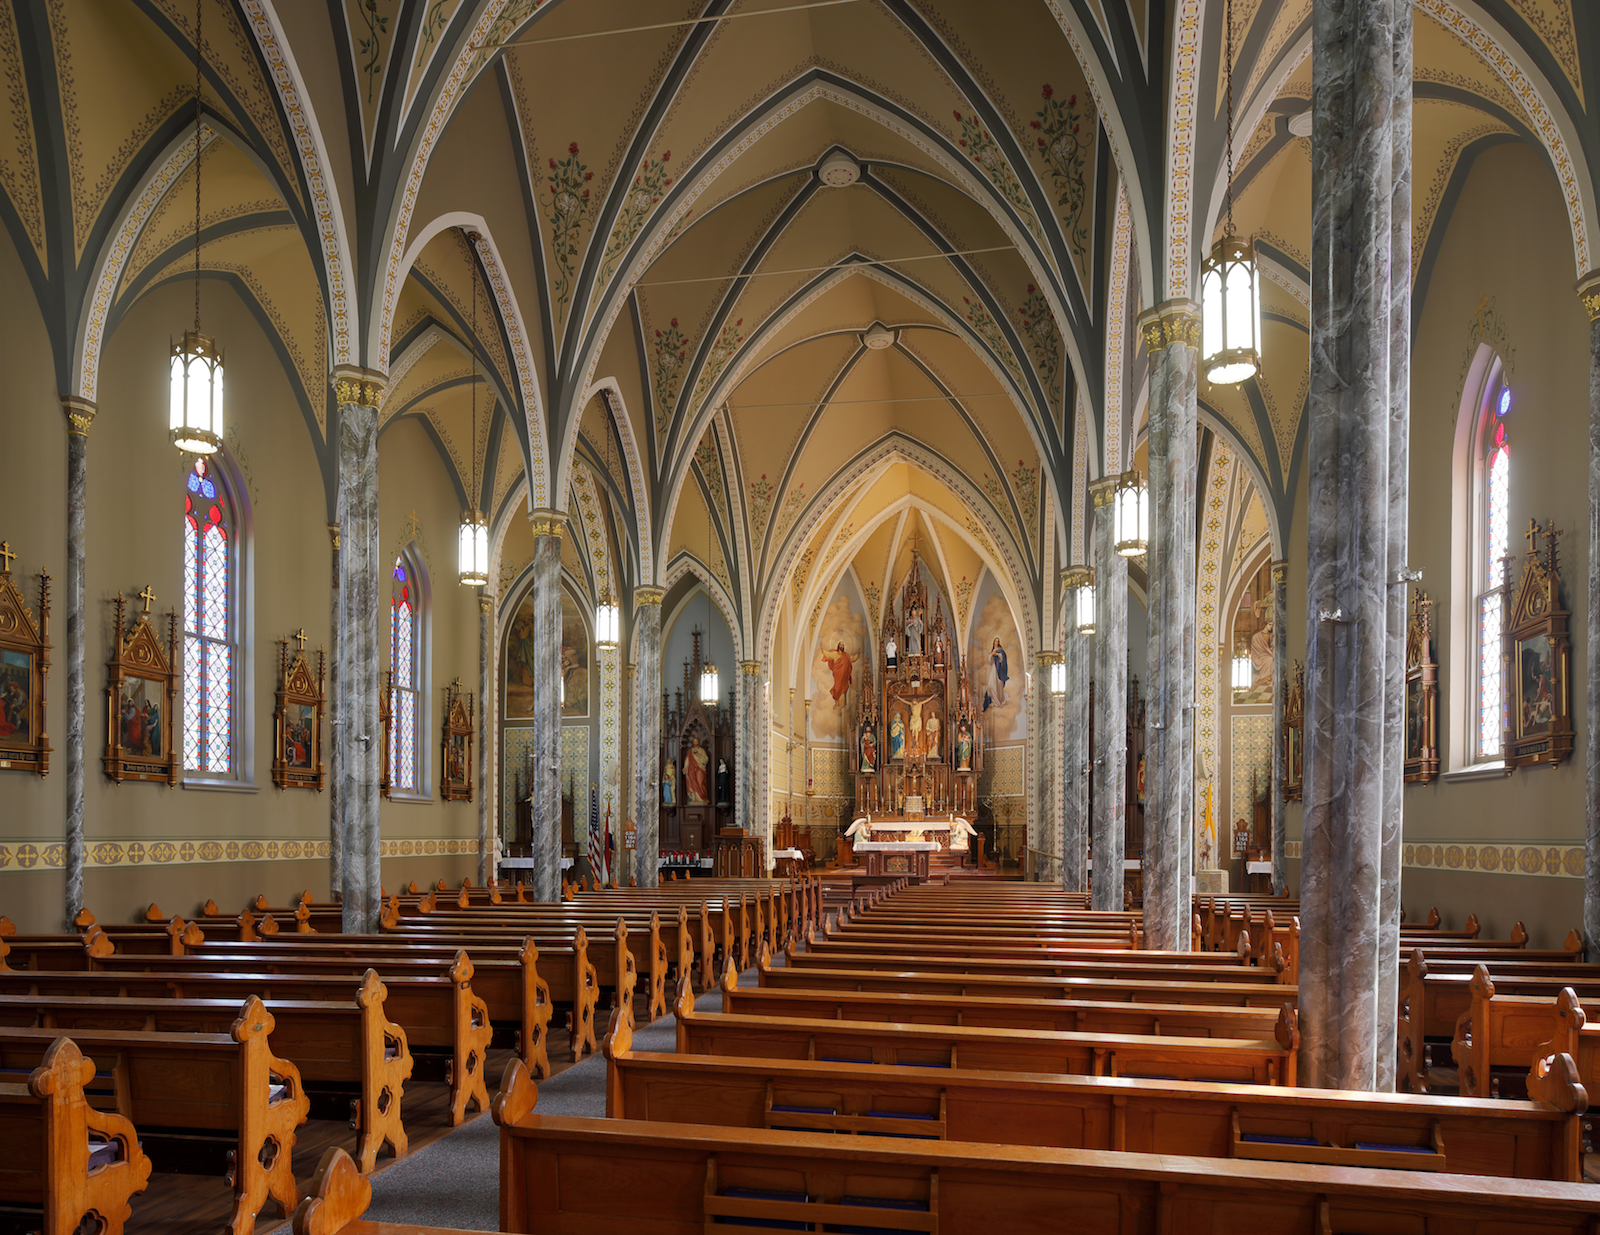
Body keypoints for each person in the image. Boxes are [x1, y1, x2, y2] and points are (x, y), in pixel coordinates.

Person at [821, 641, 853, 707]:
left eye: (843, 645)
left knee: (843, 691)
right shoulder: (835, 654)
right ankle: (837, 703)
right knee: (837, 688)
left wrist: (858, 655)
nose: (842, 646)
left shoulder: (846, 656)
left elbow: (851, 659)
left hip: (844, 677)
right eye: (841, 645)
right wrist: (823, 650)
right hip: (838, 676)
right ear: (838, 646)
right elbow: (828, 655)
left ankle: (842, 706)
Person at [983, 637, 1008, 711]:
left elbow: (1002, 659)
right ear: (993, 643)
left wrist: (998, 654)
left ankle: (999, 700)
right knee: (991, 684)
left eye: (997, 641)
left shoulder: (1001, 651)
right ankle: (994, 701)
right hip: (994, 668)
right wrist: (992, 655)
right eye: (995, 641)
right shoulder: (993, 650)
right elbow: (989, 661)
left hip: (999, 669)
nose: (996, 643)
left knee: (999, 684)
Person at [685, 736, 710, 805]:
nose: (695, 743)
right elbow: (687, 760)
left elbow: (706, 760)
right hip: (691, 769)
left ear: (698, 742)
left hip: (699, 768)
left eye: (696, 741)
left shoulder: (701, 750)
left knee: (700, 782)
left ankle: (702, 797)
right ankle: (695, 798)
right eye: (694, 741)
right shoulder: (690, 751)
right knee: (692, 783)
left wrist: (700, 756)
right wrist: (685, 767)